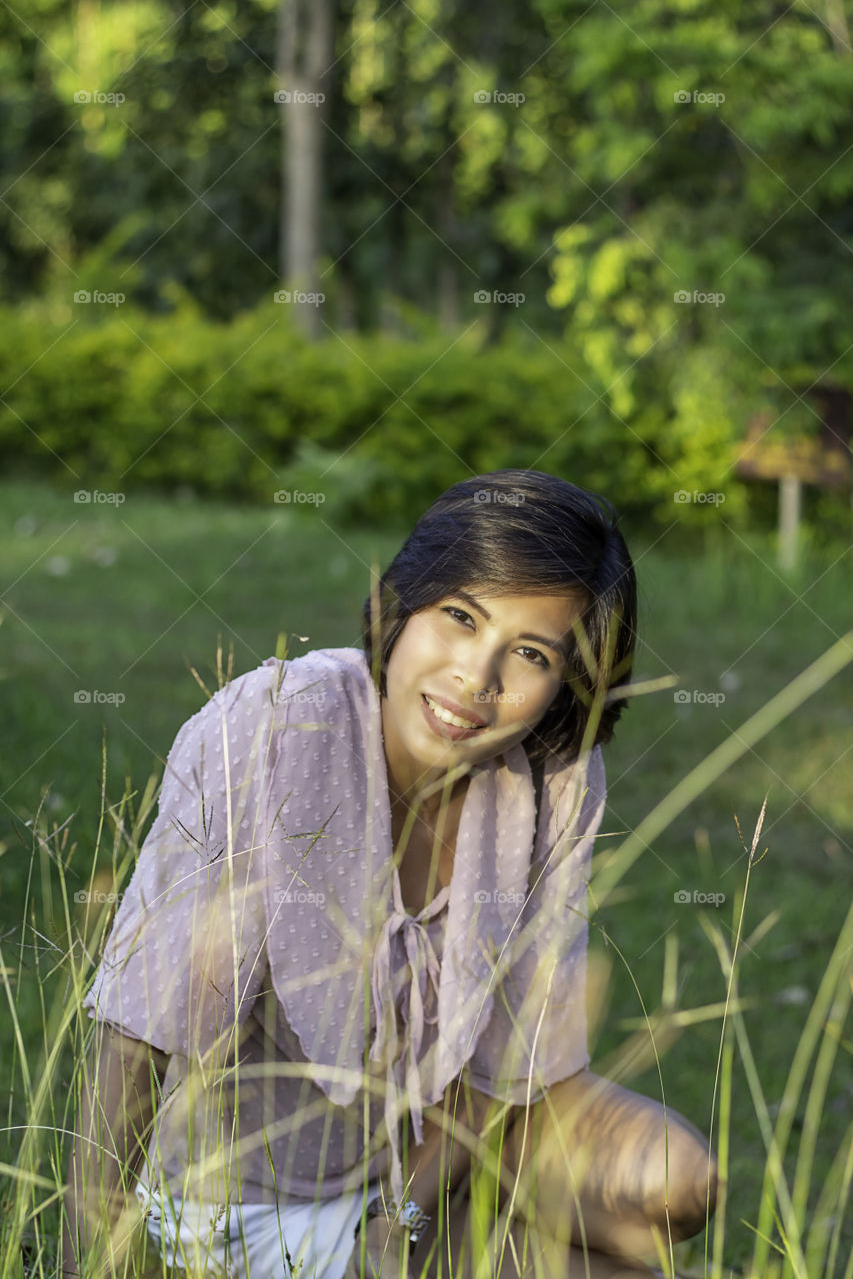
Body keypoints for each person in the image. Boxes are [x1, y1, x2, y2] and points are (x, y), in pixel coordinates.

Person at [62, 469, 716, 1279]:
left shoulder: (552, 778)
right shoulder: (272, 728)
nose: (476, 680)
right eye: (459, 617)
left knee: (675, 1184)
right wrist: (85, 1258)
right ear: (401, 604)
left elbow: (507, 1057)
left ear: (564, 685)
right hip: (242, 1201)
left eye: (529, 652)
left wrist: (396, 1219)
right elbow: (137, 1034)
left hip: (425, 1172)